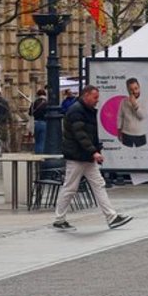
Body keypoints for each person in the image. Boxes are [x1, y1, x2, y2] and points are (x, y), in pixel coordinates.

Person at [52, 85, 132, 231]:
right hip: (77, 156)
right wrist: (93, 152)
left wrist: (94, 150)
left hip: (86, 156)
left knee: (98, 184)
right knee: (70, 187)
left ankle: (111, 216)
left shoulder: (85, 110)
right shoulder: (76, 111)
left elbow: (87, 134)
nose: (97, 100)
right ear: (86, 95)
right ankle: (59, 219)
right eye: (95, 97)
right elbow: (80, 134)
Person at [116, 77, 147, 148]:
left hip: (140, 134)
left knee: (142, 156)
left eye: (136, 88)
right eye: (131, 89)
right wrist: (119, 130)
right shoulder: (123, 101)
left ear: (139, 87)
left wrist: (134, 104)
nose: (134, 91)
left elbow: (142, 116)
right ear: (128, 90)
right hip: (126, 134)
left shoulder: (145, 101)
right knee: (126, 155)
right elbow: (120, 116)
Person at [30, 87, 48, 154]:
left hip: (36, 123)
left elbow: (30, 113)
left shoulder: (34, 103)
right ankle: (41, 156)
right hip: (44, 123)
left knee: (37, 141)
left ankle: (37, 154)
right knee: (42, 141)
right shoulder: (47, 103)